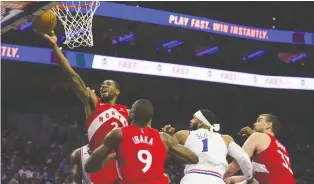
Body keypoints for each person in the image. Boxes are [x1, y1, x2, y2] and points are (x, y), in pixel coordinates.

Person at [41, 31, 128, 184]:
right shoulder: (94, 103)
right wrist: (55, 47)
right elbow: (72, 75)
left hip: (122, 171)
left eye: (108, 84)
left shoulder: (127, 112)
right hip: (100, 170)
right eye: (102, 85)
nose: (104, 86)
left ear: (117, 91)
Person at [84, 99, 199, 184]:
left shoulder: (118, 134)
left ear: (132, 115)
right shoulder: (163, 137)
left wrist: (114, 156)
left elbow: (89, 166)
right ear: (151, 119)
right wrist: (168, 151)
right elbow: (193, 159)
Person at [161, 109, 253, 184]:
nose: (190, 120)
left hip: (192, 179)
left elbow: (163, 151)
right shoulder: (226, 139)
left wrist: (168, 137)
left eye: (193, 118)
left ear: (200, 122)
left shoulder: (184, 134)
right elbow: (243, 158)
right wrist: (249, 179)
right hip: (216, 179)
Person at [224, 114, 296, 184]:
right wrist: (233, 179)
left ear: (269, 125)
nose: (255, 124)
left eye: (259, 120)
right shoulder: (282, 148)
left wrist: (216, 174)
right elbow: (262, 176)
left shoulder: (257, 136)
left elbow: (233, 168)